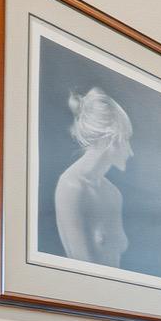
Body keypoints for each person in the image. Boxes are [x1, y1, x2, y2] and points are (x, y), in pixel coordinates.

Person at [53, 87, 135, 269]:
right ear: (109, 138)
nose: (130, 152)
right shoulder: (71, 187)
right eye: (126, 139)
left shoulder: (113, 193)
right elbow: (85, 272)